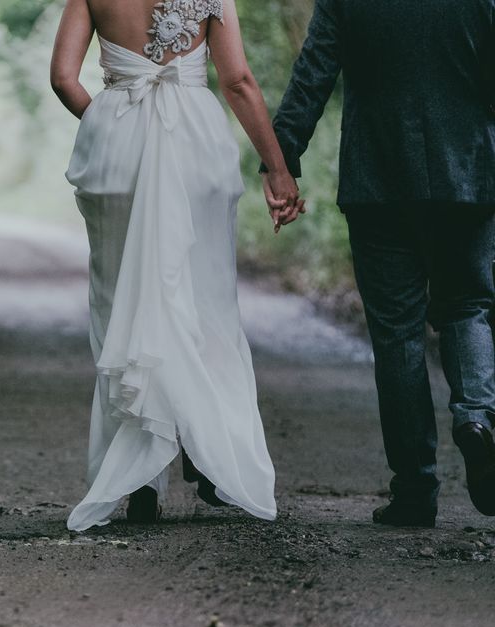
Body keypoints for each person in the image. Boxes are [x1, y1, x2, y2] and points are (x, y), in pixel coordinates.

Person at [50, 0, 304, 531]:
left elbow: (63, 78)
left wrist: (111, 124)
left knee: (122, 306)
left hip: (117, 148)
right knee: (205, 303)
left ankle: (140, 480)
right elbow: (237, 81)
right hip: (195, 146)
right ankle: (208, 452)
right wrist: (277, 169)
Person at [267, 0, 495, 526]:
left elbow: (313, 74)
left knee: (398, 335)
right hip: (468, 172)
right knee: (467, 307)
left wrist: (281, 159)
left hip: (379, 181)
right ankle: (477, 417)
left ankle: (415, 491)